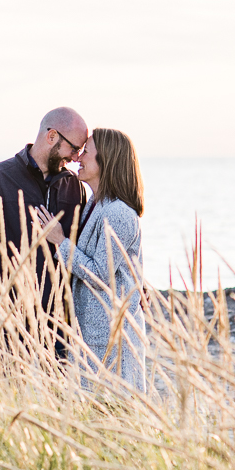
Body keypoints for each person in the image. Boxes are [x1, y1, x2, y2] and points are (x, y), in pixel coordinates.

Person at [0, 107, 89, 359]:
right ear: (51, 136)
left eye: (81, 151)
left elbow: (85, 248)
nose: (76, 157)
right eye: (74, 148)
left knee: (55, 396)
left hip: (59, 324)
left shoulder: (74, 187)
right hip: (11, 321)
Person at [36, 127, 146, 392]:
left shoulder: (118, 212)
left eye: (86, 151)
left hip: (112, 339)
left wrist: (60, 241)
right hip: (93, 335)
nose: (78, 158)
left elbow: (100, 273)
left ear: (105, 161)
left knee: (116, 416)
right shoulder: (95, 204)